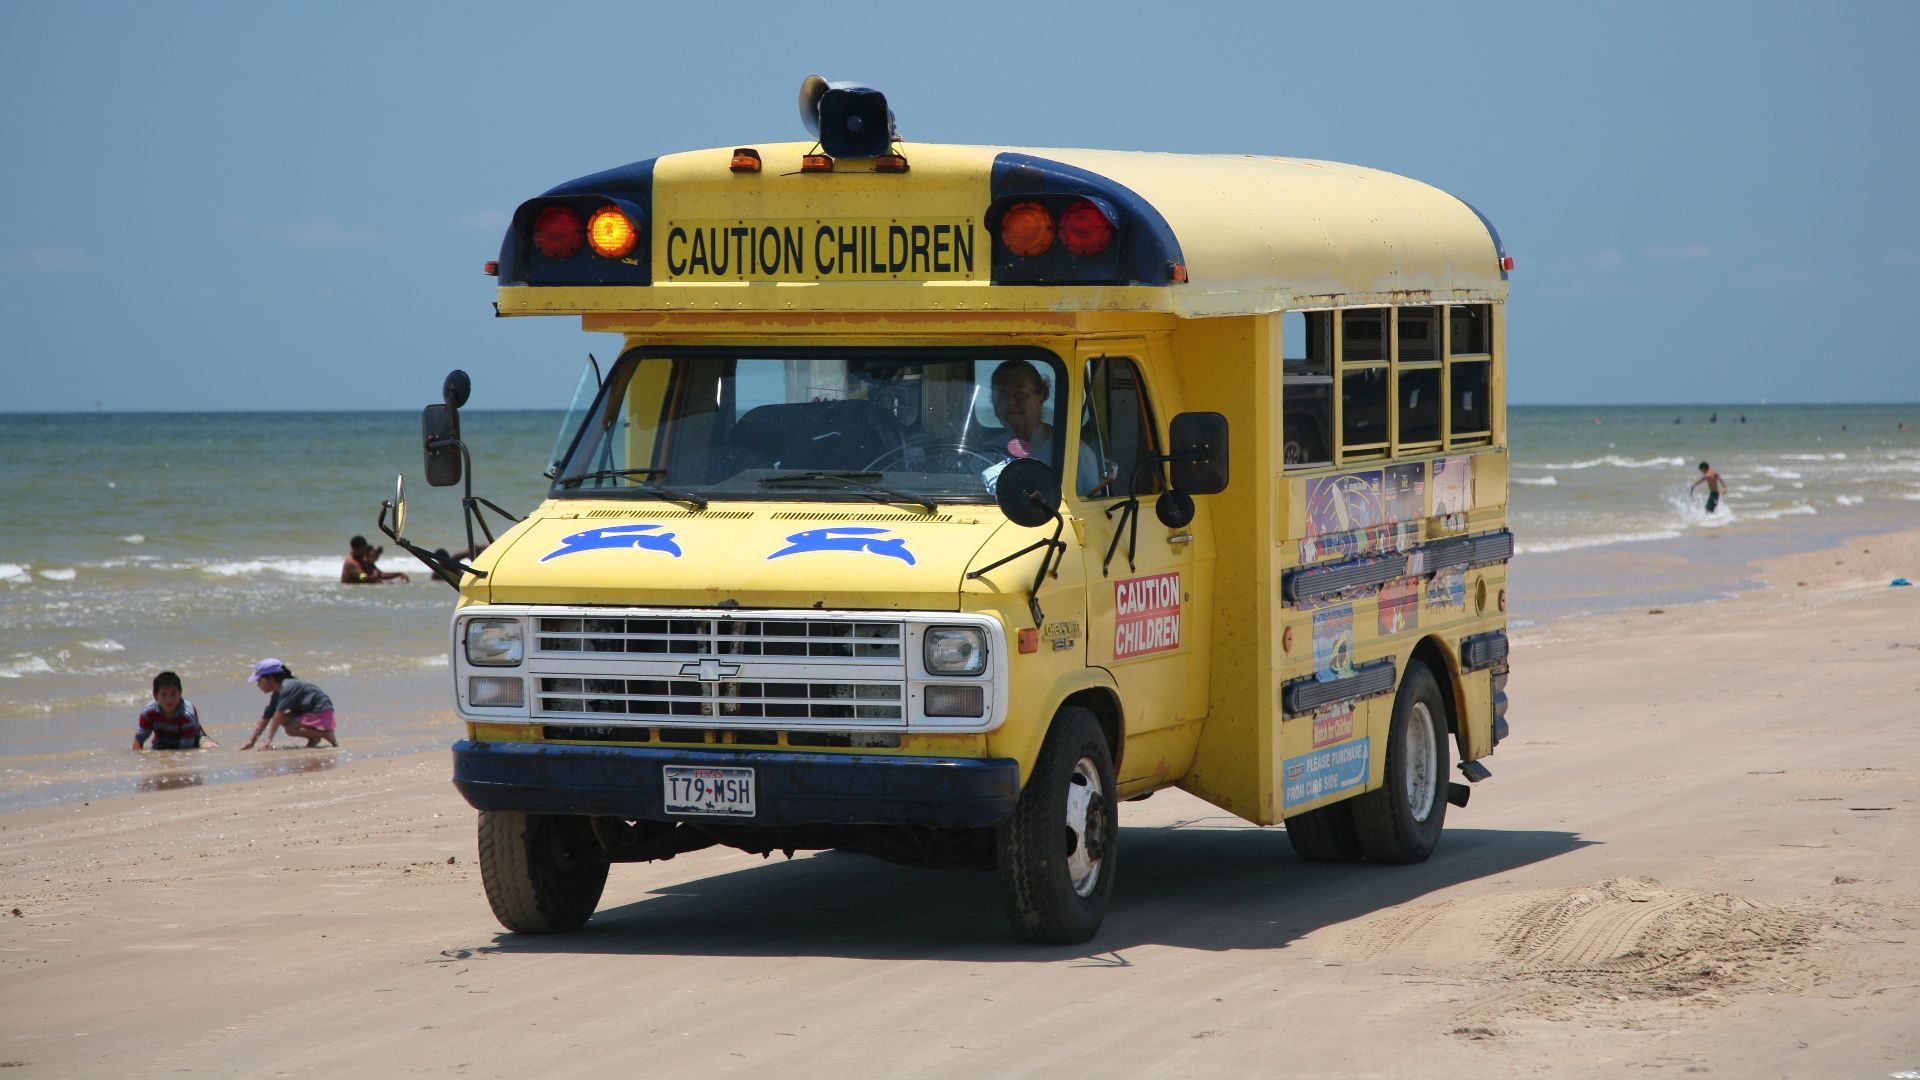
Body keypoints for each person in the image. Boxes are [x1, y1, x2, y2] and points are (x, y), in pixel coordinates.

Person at [987, 360, 1104, 495]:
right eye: (1002, 394)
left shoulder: (1077, 455)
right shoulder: (985, 453)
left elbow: (1088, 509)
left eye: (1020, 393)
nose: (1010, 402)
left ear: (1041, 399)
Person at [240, 659, 338, 749]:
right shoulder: (277, 693)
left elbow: (279, 713)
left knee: (290, 729)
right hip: (307, 711)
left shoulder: (287, 687)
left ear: (270, 678)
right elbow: (266, 716)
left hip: (321, 710)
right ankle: (314, 738)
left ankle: (326, 735)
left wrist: (268, 740)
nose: (258, 685)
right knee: (282, 720)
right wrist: (252, 741)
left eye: (259, 681)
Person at [133, 671, 216, 750]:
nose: (169, 699)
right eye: (164, 694)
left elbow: (186, 749)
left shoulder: (186, 714)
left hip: (194, 740)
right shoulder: (148, 713)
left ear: (180, 694)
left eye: (173, 694)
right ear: (155, 695)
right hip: (163, 743)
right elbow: (139, 740)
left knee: (210, 747)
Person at [342, 535, 409, 584]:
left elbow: (380, 574)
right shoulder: (351, 563)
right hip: (350, 592)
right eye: (362, 549)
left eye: (364, 549)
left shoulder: (361, 559)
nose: (364, 551)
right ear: (354, 549)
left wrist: (398, 574)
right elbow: (363, 577)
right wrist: (375, 576)